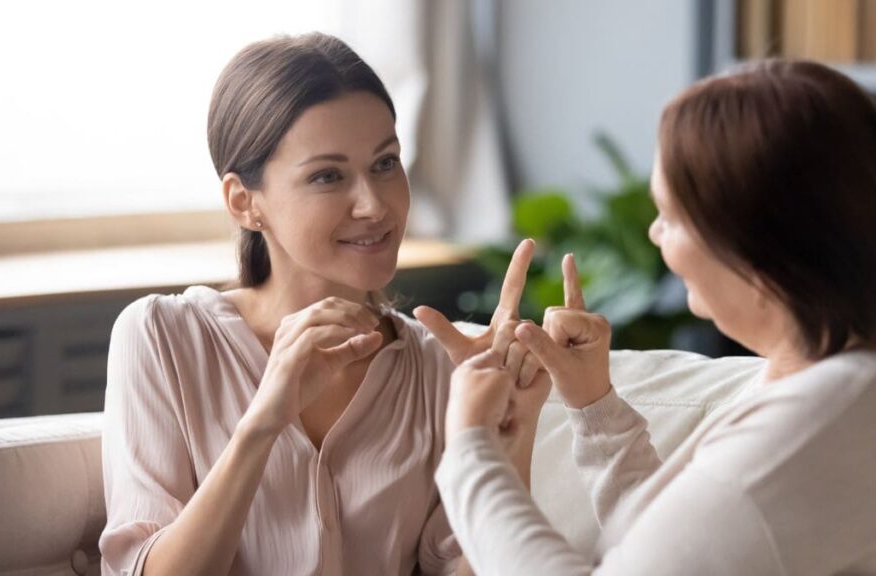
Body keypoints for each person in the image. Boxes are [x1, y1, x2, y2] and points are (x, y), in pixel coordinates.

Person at [435, 59, 876, 574]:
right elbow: (685, 549)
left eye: (669, 217)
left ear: (759, 252)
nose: (653, 235)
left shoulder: (809, 437)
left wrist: (469, 449)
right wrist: (594, 406)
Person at [99, 33, 548, 576]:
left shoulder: (437, 365)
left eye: (385, 163)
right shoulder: (162, 337)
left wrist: (508, 440)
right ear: (245, 203)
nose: (375, 204)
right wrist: (263, 423)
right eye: (328, 176)